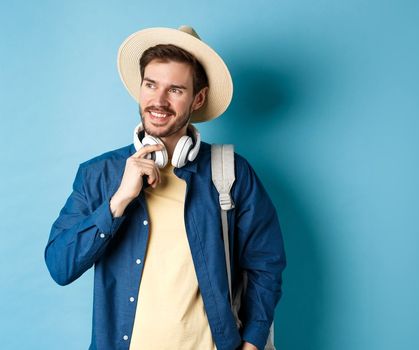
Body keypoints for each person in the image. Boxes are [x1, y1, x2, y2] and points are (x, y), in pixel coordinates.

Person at [44, 25, 286, 350]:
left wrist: (253, 342)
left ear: (197, 98)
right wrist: (118, 201)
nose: (158, 100)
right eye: (151, 85)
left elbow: (265, 262)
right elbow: (60, 267)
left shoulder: (230, 172)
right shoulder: (99, 174)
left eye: (175, 90)